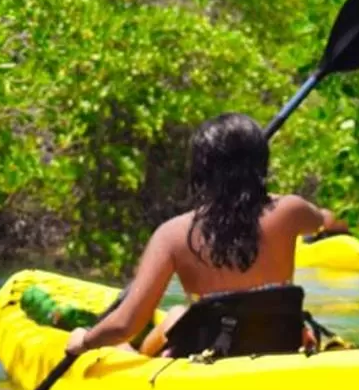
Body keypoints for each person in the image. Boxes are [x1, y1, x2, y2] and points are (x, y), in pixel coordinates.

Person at [63, 112, 341, 358]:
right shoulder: (291, 210)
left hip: (206, 357)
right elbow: (324, 221)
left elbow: (125, 325)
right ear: (262, 163)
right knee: (176, 315)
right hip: (278, 347)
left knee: (132, 338)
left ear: (199, 169)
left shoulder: (172, 235)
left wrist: (84, 341)